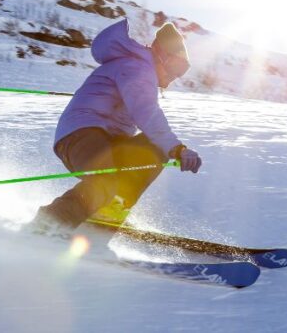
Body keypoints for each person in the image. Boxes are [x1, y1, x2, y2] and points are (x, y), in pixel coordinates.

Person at [26, 18, 202, 236]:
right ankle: (48, 224)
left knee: (152, 148)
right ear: (161, 55)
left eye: (180, 74)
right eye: (174, 69)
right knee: (106, 178)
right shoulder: (137, 67)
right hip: (80, 135)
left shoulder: (139, 68)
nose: (170, 80)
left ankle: (106, 215)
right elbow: (146, 112)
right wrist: (177, 148)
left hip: (106, 138)